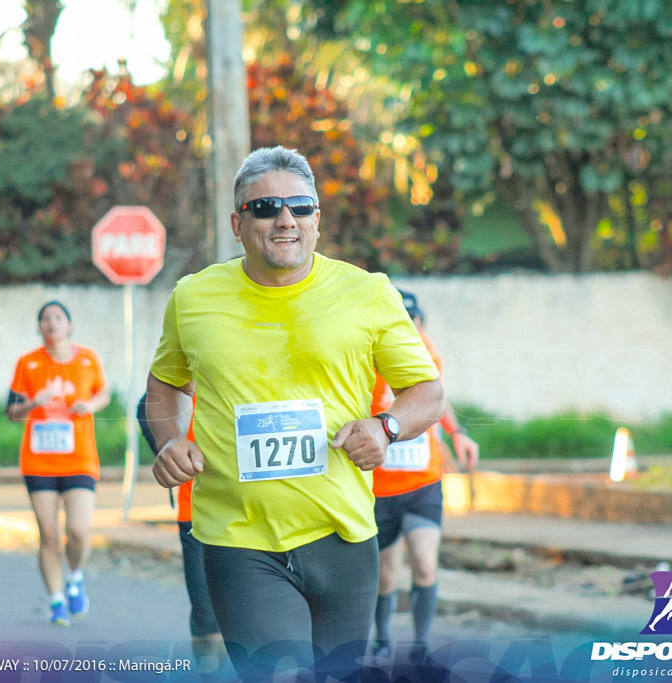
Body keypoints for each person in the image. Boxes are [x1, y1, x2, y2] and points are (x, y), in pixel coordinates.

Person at [144, 146, 445, 680]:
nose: (285, 219)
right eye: (265, 208)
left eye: (300, 206)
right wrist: (169, 440)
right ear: (238, 224)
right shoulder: (194, 297)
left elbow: (426, 391)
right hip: (238, 538)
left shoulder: (368, 292)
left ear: (317, 221)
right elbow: (165, 384)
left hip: (344, 535)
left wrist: (387, 426)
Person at [369, 289, 480, 660]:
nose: (412, 329)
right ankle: (382, 639)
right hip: (378, 488)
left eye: (415, 322)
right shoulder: (365, 359)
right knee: (385, 574)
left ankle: (420, 644)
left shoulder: (427, 353)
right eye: (403, 322)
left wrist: (457, 433)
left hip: (423, 482)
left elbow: (435, 399)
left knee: (425, 563)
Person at [6, 301, 110, 626]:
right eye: (44, 319)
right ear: (39, 328)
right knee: (49, 533)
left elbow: (103, 393)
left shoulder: (88, 359)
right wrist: (30, 404)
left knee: (78, 531)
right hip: (39, 461)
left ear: (70, 324)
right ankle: (55, 601)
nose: (51, 323)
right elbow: (10, 412)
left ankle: (75, 577)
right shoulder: (27, 363)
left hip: (80, 457)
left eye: (57, 318)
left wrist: (90, 404)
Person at [136, 395, 226, 671]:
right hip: (199, 509)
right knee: (208, 618)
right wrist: (168, 450)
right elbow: (148, 405)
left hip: (275, 514)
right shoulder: (194, 359)